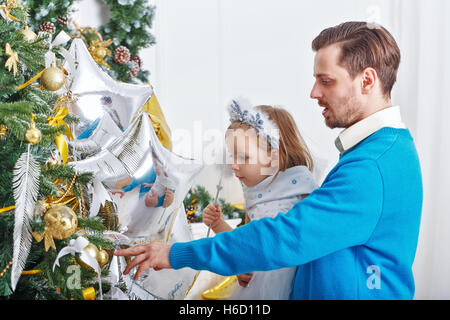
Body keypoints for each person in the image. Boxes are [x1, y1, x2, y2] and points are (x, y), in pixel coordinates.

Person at [114, 21, 423, 300]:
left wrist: (176, 254)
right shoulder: (377, 151)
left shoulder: (371, 166)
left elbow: (286, 237)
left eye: (326, 81)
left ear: (367, 81)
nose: (314, 92)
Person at [202, 101, 317, 299]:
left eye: (243, 157)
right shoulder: (256, 197)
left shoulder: (302, 193)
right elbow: (245, 243)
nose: (234, 166)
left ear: (275, 156)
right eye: (232, 156)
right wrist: (218, 224)